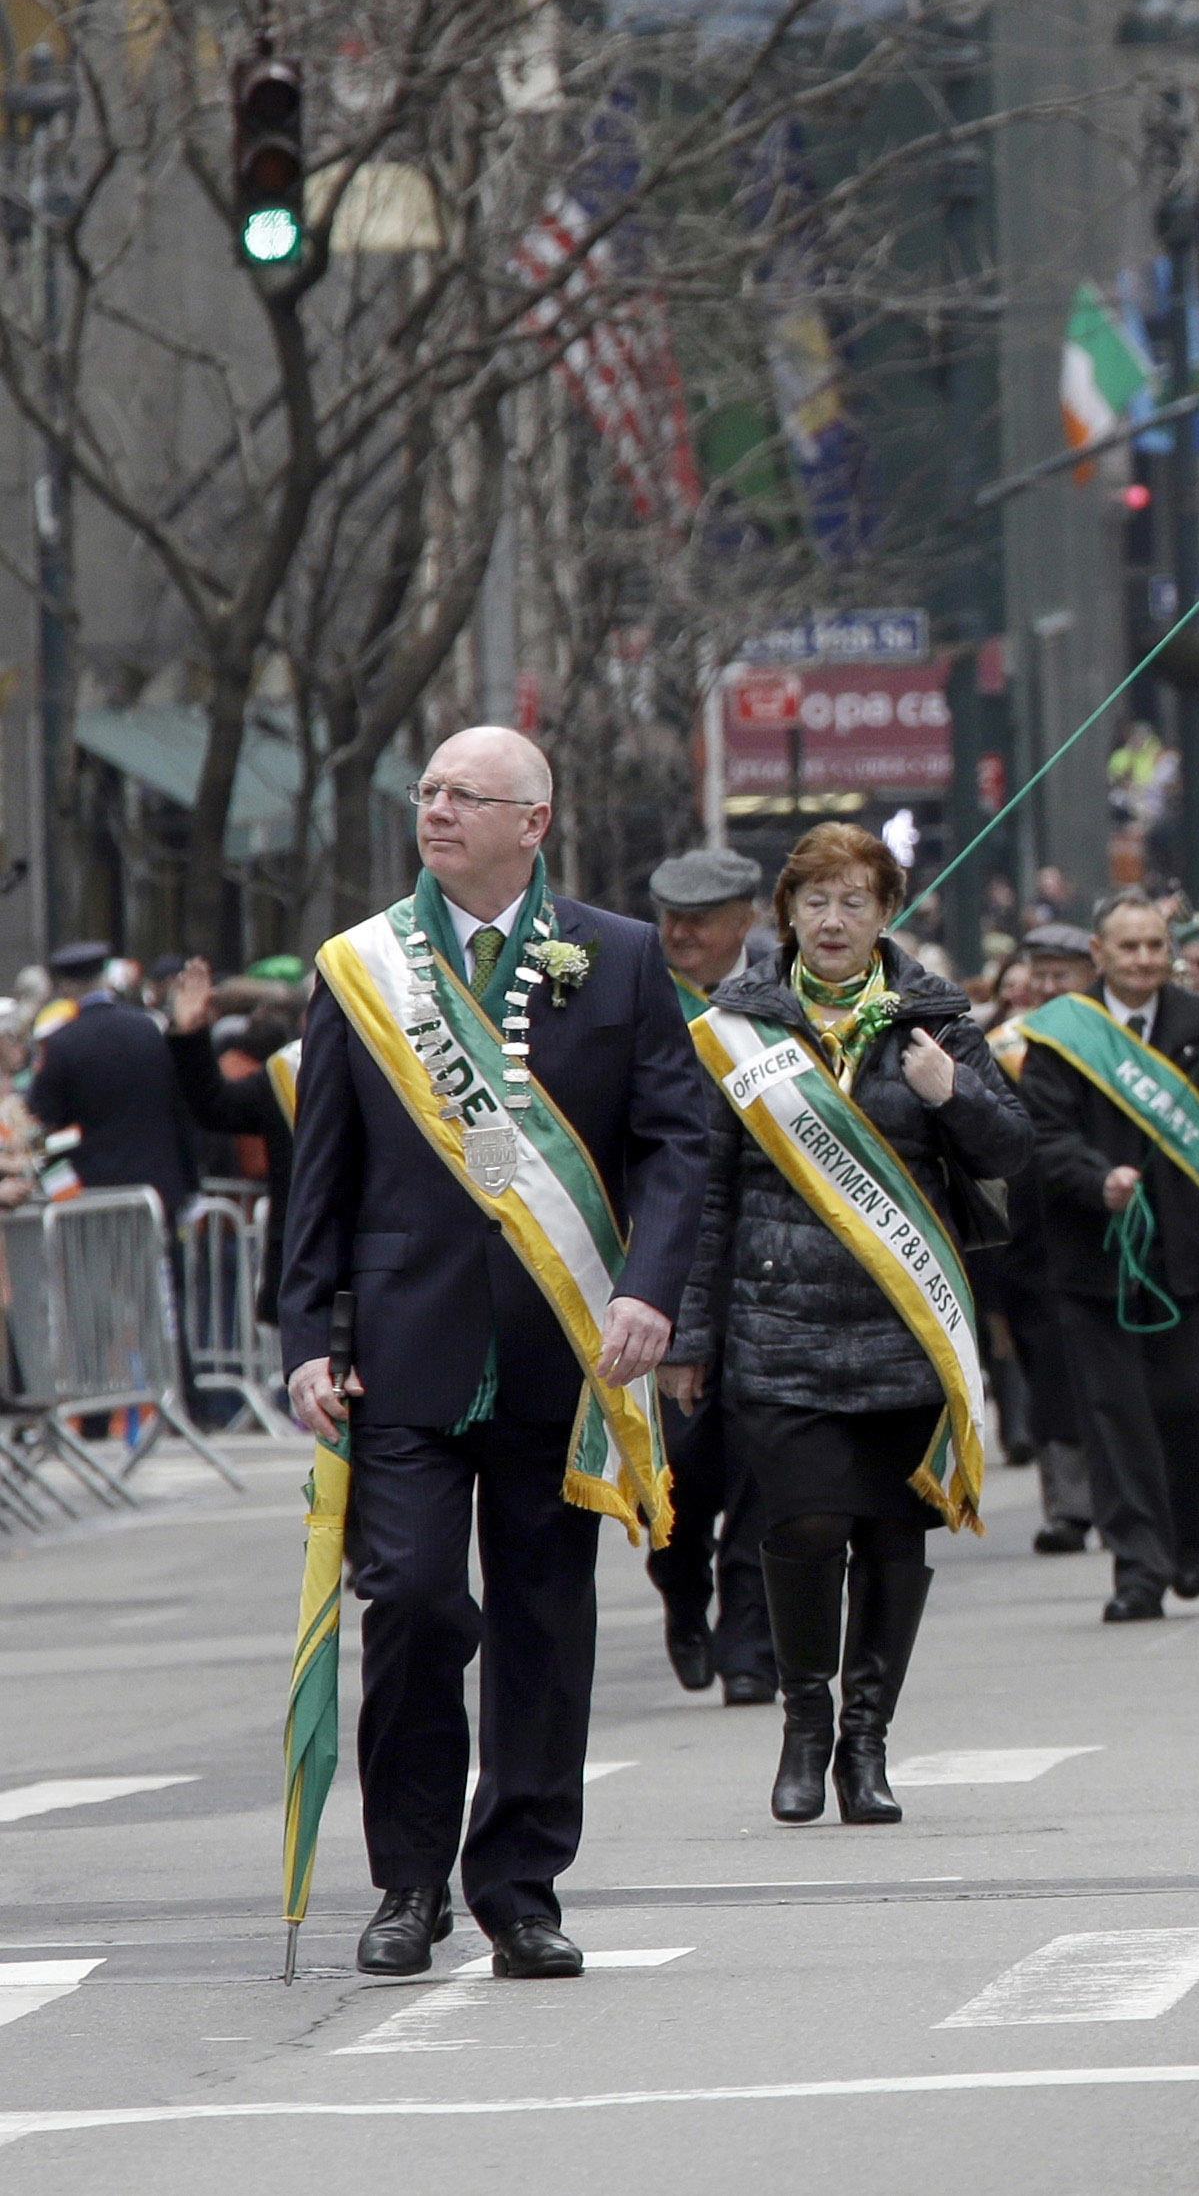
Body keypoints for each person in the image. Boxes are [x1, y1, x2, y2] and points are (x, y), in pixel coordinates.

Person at [274, 726, 710, 1979]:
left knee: (542, 1617)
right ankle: (408, 1881)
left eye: (468, 796)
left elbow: (679, 1143)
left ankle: (520, 1881)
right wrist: (309, 1336)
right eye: (428, 791)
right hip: (402, 1352)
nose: (438, 811)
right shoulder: (363, 968)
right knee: (410, 1600)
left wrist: (649, 1293)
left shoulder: (617, 960)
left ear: (535, 821)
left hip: (558, 1350)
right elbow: (322, 1173)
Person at [663, 824, 1029, 1825]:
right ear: (785, 915)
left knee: (893, 1537)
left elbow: (1013, 1150)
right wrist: (691, 1334)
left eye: (854, 902)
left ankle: (867, 1744)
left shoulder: (934, 1021)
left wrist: (949, 1095)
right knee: (805, 1522)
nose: (833, 920)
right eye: (816, 901)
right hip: (778, 1327)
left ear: (886, 916)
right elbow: (706, 1195)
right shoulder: (737, 1028)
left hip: (904, 1327)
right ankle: (804, 1723)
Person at [1015, 894, 1199, 1620]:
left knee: (1194, 1405)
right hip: (1093, 1264)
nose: (1143, 959)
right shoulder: (1063, 1036)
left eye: (1153, 945)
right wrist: (1094, 1180)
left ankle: (1188, 1527)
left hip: (1194, 1264)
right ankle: (1137, 1567)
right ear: (1098, 956)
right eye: (1127, 947)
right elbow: (1043, 1137)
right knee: (1115, 1416)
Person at [642, 847, 779, 1704]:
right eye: (670, 917)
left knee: (765, 1469)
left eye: (700, 918)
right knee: (682, 1475)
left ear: (746, 920)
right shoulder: (638, 998)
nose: (680, 934)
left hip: (769, 1267)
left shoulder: (785, 997)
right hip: (667, 1263)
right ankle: (682, 1592)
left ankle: (751, 1648)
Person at [985, 926, 1100, 1556]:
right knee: (1051, 1379)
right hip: (1029, 1245)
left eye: (1066, 973)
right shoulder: (1003, 1049)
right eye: (1042, 974)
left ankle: (1126, 1497)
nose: (1051, 987)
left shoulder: (1112, 1044)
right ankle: (1068, 1505)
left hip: (1106, 1233)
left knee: (1111, 1376)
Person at [27, 939, 203, 1213]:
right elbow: (179, 1109)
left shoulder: (59, 1043)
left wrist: (57, 1190)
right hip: (157, 1189)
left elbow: (44, 1125)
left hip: (90, 1195)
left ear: (65, 987)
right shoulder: (150, 1030)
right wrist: (191, 1183)